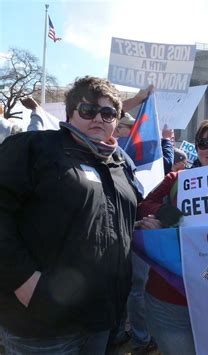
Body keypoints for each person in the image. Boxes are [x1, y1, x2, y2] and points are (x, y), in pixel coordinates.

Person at [0, 76, 141, 354]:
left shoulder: (120, 164)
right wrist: (23, 281)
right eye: (88, 110)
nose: (98, 118)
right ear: (71, 113)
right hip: (42, 322)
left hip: (101, 317)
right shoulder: (34, 148)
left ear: (117, 118)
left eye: (108, 112)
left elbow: (115, 220)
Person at [136, 119, 208, 354]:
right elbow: (143, 205)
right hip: (171, 296)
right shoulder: (177, 180)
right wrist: (174, 216)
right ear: (197, 148)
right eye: (204, 142)